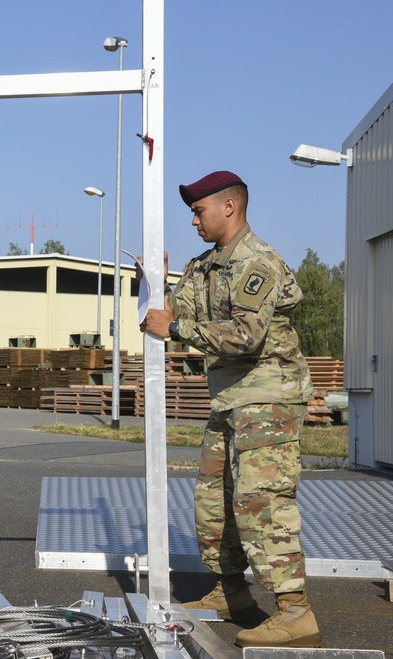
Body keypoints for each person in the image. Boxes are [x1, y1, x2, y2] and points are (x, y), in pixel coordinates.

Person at [140, 170, 319, 648]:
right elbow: (178, 313)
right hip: (230, 400)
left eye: (199, 211)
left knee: (263, 500)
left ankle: (296, 611)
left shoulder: (256, 262)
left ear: (229, 207)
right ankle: (232, 593)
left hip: (267, 398)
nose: (194, 220)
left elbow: (245, 335)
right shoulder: (205, 266)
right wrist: (154, 279)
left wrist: (174, 330)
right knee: (215, 504)